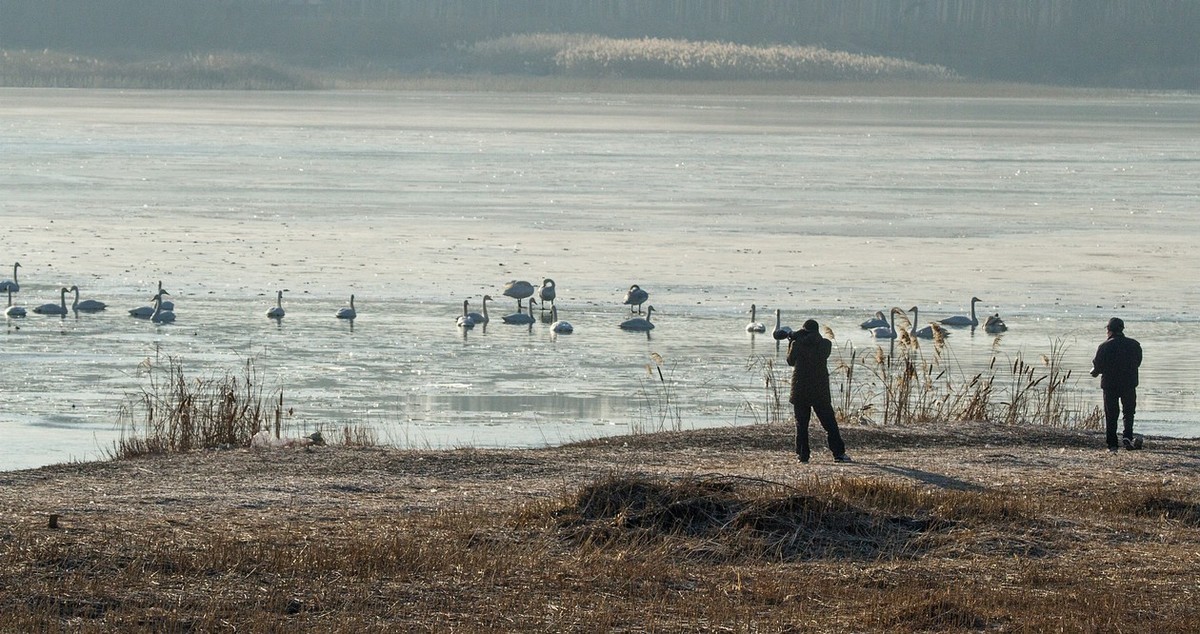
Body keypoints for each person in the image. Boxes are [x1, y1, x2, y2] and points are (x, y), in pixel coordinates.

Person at [787, 319, 851, 463]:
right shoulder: (825, 344)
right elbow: (819, 349)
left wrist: (792, 341)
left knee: (801, 425)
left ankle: (802, 456)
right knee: (830, 424)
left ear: (803, 331)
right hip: (820, 390)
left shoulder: (797, 344)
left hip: (800, 389)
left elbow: (790, 361)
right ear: (817, 331)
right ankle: (838, 454)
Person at [1090, 317, 1143, 453]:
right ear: (1122, 329)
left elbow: (1098, 366)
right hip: (1129, 383)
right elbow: (1137, 362)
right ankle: (1127, 436)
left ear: (1109, 330)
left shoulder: (1104, 346)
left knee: (1111, 414)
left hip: (1110, 385)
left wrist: (1095, 372)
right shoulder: (1134, 345)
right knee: (1129, 412)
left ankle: (1112, 444)